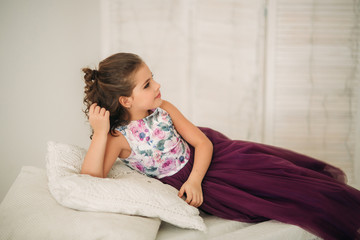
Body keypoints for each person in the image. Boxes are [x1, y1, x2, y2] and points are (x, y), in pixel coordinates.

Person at [80, 52, 360, 240]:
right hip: (198, 182)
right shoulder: (118, 139)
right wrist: (101, 132)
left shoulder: (163, 108)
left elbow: (202, 142)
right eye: (147, 84)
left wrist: (195, 180)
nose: (157, 85)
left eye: (152, 78)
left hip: (210, 161)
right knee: (277, 199)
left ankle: (349, 206)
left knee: (281, 172)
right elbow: (91, 179)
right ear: (126, 101)